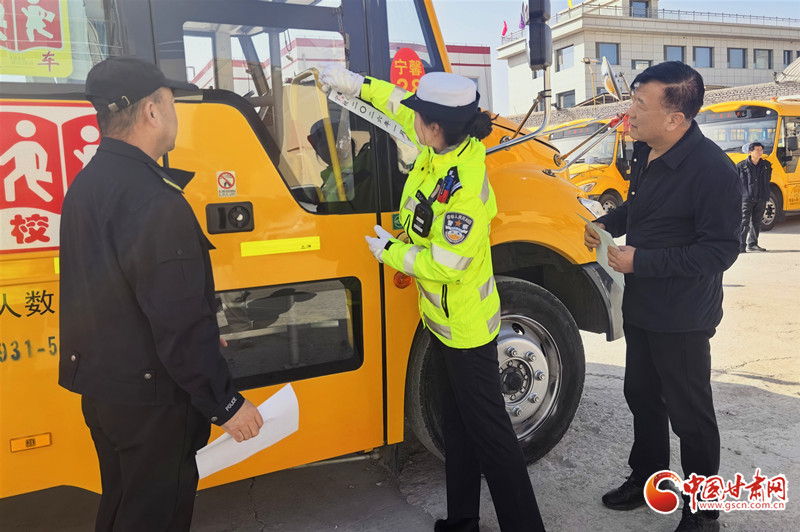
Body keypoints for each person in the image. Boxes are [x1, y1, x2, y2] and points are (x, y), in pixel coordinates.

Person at [320, 64, 546, 532]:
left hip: (466, 330)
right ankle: (462, 520)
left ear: (436, 127)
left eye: (419, 116)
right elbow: (395, 103)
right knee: (458, 427)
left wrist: (391, 252)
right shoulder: (440, 144)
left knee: (493, 440)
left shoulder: (464, 188)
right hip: (442, 323)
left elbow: (447, 264)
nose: (412, 118)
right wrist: (352, 83)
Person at [59, 56, 263, 532]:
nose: (175, 114)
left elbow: (115, 294)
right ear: (152, 111)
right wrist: (226, 403)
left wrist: (200, 340)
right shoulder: (153, 198)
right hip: (152, 401)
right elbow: (178, 318)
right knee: (155, 517)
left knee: (123, 506)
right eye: (171, 103)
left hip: (106, 391)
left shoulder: (89, 183)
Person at [584, 62, 741, 532]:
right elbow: (641, 209)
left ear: (675, 118)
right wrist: (608, 224)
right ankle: (649, 477)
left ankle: (704, 513)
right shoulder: (645, 150)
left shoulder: (713, 170)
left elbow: (719, 252)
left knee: (690, 416)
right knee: (641, 395)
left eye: (639, 104)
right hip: (642, 305)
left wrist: (643, 262)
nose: (629, 113)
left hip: (683, 315)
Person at [737, 141, 772, 252]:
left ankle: (752, 244)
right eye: (757, 150)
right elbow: (736, 181)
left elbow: (768, 179)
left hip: (761, 197)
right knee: (744, 222)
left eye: (761, 150)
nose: (760, 152)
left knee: (756, 222)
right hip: (746, 198)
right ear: (750, 152)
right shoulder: (741, 166)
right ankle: (741, 245)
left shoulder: (766, 165)